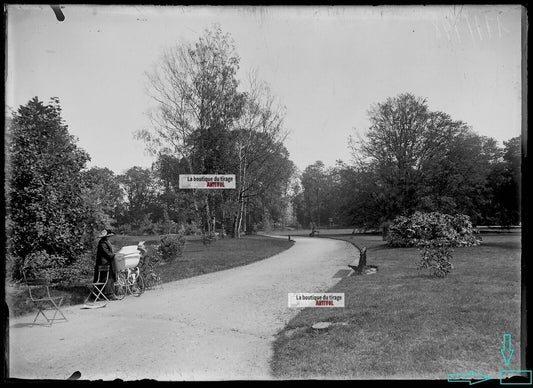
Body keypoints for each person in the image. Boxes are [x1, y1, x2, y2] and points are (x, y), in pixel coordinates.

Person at [94, 229, 118, 301]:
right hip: (103, 263)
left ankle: (106, 294)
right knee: (107, 278)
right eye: (108, 236)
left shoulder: (106, 242)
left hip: (107, 263)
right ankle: (108, 294)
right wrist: (114, 255)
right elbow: (107, 253)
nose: (109, 237)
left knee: (109, 277)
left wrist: (114, 254)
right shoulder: (102, 243)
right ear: (105, 236)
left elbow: (109, 252)